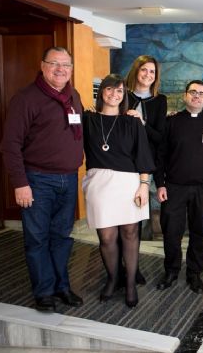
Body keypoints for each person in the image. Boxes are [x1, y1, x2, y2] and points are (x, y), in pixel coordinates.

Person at [0, 46, 84, 312]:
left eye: (66, 65)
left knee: (62, 236)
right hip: (37, 180)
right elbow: (10, 145)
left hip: (68, 180)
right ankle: (44, 292)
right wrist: (20, 183)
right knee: (37, 239)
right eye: (54, 63)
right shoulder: (26, 99)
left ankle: (62, 286)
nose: (61, 69)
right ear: (43, 65)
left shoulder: (74, 96)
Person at [81, 74, 154, 308]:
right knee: (107, 237)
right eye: (110, 89)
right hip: (99, 184)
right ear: (102, 91)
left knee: (131, 234)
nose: (115, 94)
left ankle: (131, 283)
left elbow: (143, 155)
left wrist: (144, 185)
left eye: (120, 91)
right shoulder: (88, 120)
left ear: (124, 96)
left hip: (129, 184)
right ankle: (113, 278)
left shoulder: (132, 121)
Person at [154, 80, 203, 294]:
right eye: (193, 92)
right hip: (174, 187)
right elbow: (160, 156)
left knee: (198, 232)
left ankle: (194, 274)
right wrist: (160, 184)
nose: (197, 96)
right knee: (172, 232)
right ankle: (171, 271)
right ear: (185, 96)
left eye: (201, 93)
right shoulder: (171, 122)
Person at [120, 55, 168, 286]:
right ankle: (116, 266)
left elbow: (160, 137)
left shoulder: (159, 101)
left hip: (142, 169)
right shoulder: (121, 94)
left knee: (135, 221)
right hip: (118, 165)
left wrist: (142, 122)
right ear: (136, 70)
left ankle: (132, 266)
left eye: (152, 72)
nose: (148, 75)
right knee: (116, 218)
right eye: (144, 70)